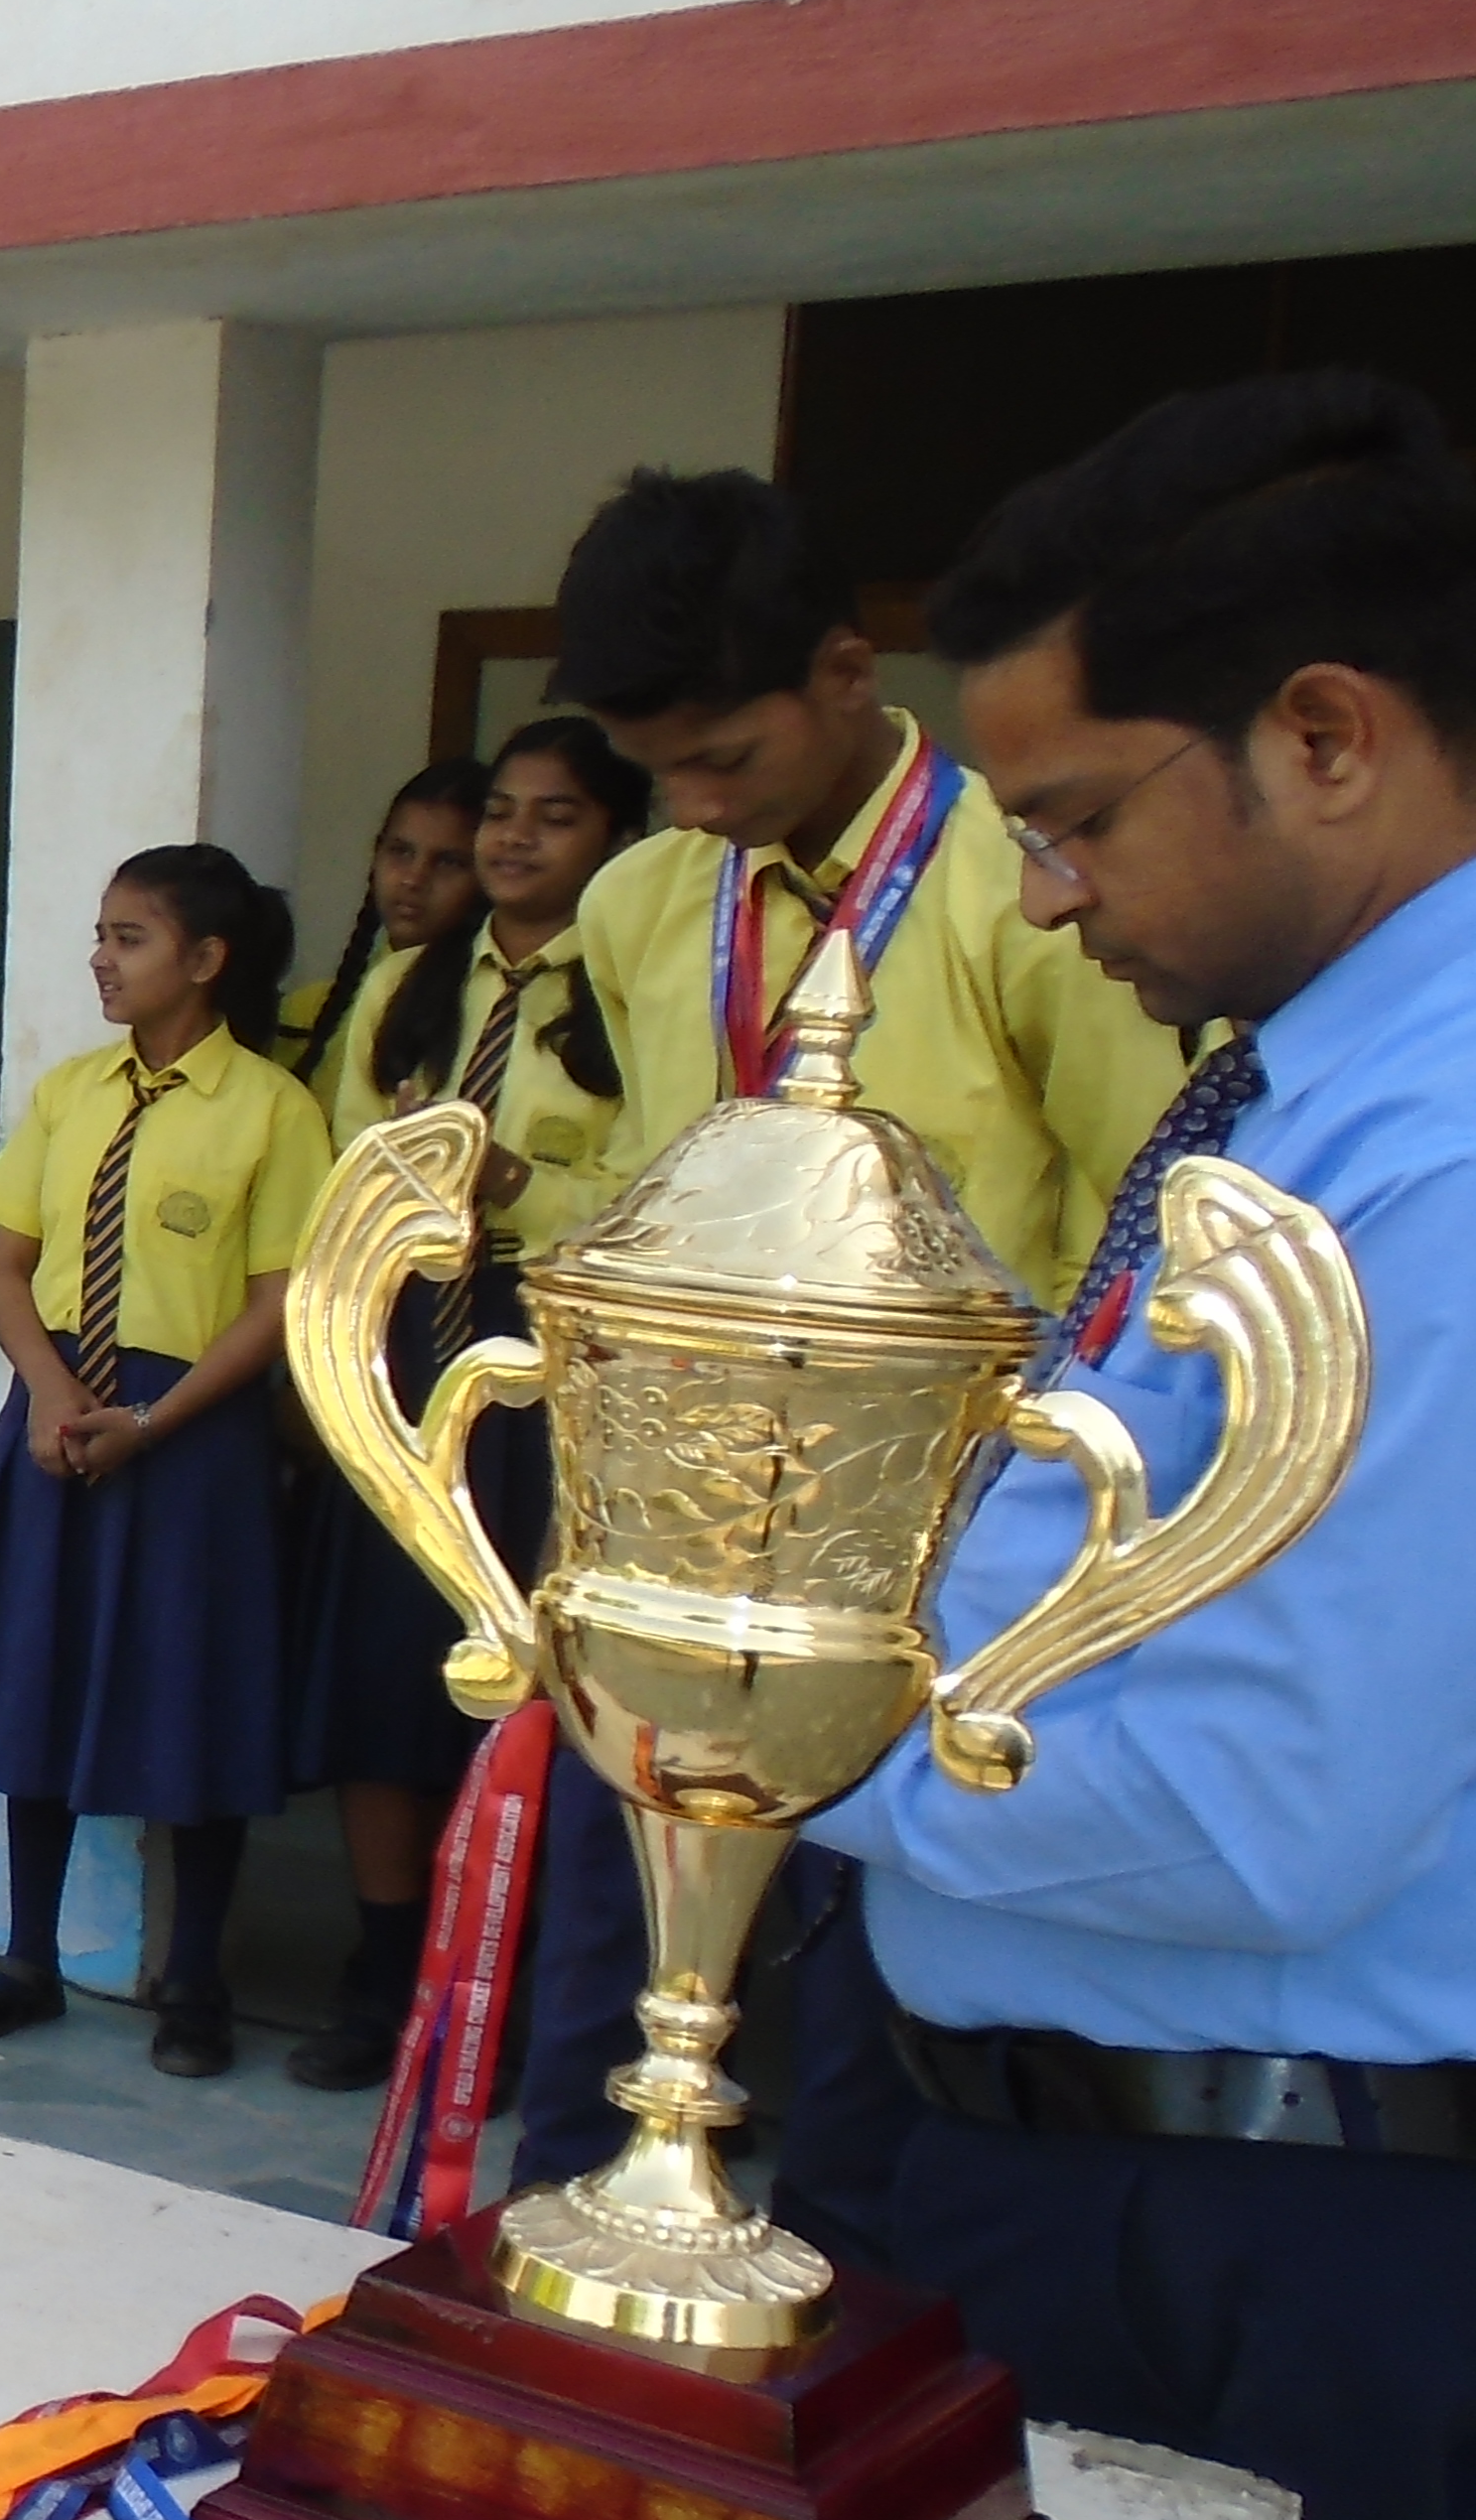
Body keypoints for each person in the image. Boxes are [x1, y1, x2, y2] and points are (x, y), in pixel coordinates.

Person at [794, 371, 1476, 2520]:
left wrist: (772, 1705)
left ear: (1322, 733)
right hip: (1068, 2144)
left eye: (1076, 814)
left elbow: (1263, 1798)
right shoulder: (1311, 1085)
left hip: (1251, 2185)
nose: (1046, 893)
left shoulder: (1439, 1150)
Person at [507, 465, 1186, 2260]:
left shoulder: (1017, 889)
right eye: (661, 770)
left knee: (881, 2000)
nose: (696, 802)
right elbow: (612, 1181)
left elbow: (1143, 1221)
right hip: (671, 1548)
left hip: (932, 1561)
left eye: (723, 753)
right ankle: (570, 2292)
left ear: (841, 666)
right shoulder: (650, 903)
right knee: (602, 1978)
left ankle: (840, 2338)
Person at [278, 720, 643, 2086]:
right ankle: (386, 1973)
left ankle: (519, 1983)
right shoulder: (407, 990)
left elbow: (673, 1180)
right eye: (503, 810)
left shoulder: (630, 996)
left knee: (530, 1680)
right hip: (409, 1357)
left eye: (556, 817)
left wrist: (523, 1199)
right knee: (388, 1675)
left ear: (615, 839)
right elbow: (339, 1169)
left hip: (555, 1364)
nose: (513, 840)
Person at [0, 845, 323, 2077]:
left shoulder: (270, 1108)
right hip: (58, 1409)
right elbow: (2, 1262)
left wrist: (155, 1420)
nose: (102, 957)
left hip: (185, 1426)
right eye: (100, 933)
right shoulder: (72, 1091)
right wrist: (48, 1393)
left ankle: (194, 1976)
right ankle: (25, 1956)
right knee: (31, 1677)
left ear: (205, 959)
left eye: (131, 937)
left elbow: (276, 1298)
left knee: (186, 1693)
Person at [281, 761, 489, 1102]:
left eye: (448, 862)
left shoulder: (488, 1011)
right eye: (401, 852)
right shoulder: (304, 1010)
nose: (413, 879)